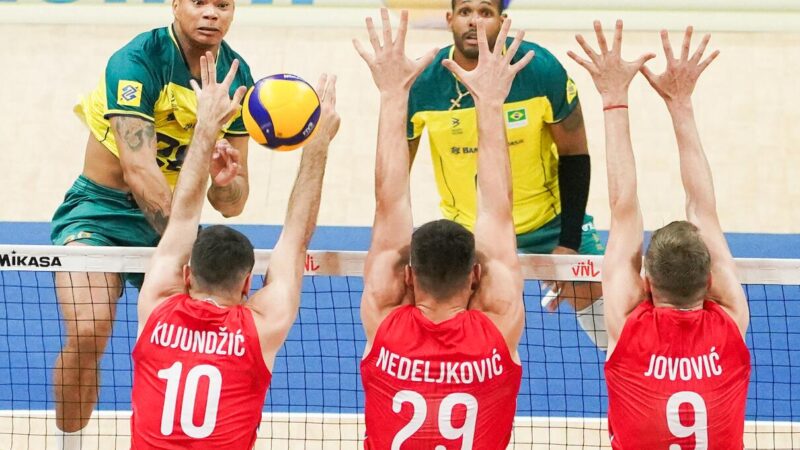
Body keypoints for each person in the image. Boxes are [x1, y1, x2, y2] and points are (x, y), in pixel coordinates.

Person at [50, 1, 255, 445]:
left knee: (208, 336)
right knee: (88, 330)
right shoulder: (136, 61)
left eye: (223, 4)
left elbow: (234, 203)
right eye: (199, 2)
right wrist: (185, 248)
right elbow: (140, 173)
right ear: (176, 4)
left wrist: (225, 181)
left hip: (177, 219)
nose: (211, 14)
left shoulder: (237, 78)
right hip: (101, 215)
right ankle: (67, 440)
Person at [129, 52, 339, 448]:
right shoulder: (260, 328)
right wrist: (318, 144)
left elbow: (182, 218)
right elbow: (295, 240)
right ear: (247, 284)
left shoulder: (157, 306)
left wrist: (205, 126)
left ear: (187, 276)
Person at [568, 21, 751, 448]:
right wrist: (681, 104)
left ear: (646, 282)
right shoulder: (729, 323)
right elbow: (703, 208)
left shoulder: (627, 325)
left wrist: (614, 100)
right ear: (709, 282)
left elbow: (623, 208)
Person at [354, 9, 531, 448]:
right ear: (476, 276)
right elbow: (497, 209)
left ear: (408, 277)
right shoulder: (497, 327)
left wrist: (393, 95)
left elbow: (388, 203)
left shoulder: (386, 322)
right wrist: (490, 103)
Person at [407, 0, 607, 348]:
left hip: (551, 222)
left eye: (485, 12)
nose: (474, 22)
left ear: (503, 21)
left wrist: (569, 243)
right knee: (455, 341)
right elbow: (396, 174)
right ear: (449, 18)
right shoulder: (424, 84)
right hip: (469, 233)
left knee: (615, 328)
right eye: (465, 11)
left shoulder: (540, 70)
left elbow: (574, 154)